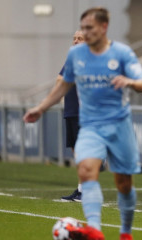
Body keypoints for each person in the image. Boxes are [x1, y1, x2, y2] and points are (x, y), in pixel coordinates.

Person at [23, 7, 142, 240]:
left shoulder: (121, 53)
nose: (85, 33)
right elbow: (62, 85)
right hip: (90, 125)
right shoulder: (76, 56)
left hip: (118, 124)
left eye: (90, 28)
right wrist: (40, 108)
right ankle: (94, 229)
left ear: (103, 28)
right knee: (86, 170)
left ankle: (126, 232)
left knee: (123, 183)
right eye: (83, 28)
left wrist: (128, 81)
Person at [60, 30, 85, 202]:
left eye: (79, 38)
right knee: (77, 153)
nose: (75, 41)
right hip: (70, 111)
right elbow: (61, 79)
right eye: (74, 38)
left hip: (81, 113)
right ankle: (81, 188)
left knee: (83, 153)